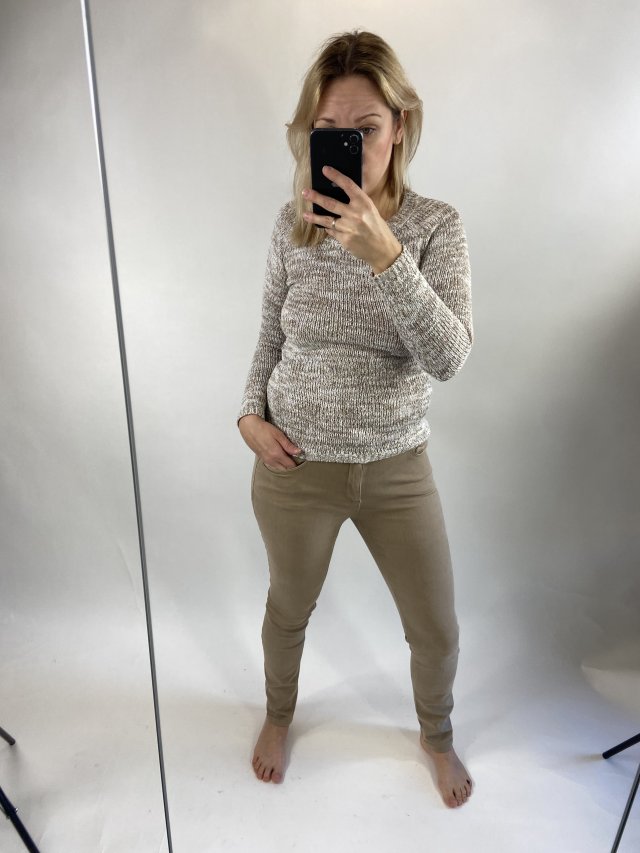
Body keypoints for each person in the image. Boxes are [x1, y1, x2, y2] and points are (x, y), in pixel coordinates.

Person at [237, 29, 474, 808]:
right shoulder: (292, 223)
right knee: (288, 609)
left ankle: (436, 734)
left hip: (397, 469)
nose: (348, 144)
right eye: (328, 128)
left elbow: (449, 356)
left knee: (435, 626)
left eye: (366, 127)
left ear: (400, 125)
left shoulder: (436, 226)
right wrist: (248, 413)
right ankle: (279, 715)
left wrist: (386, 257)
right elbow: (270, 332)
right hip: (294, 467)